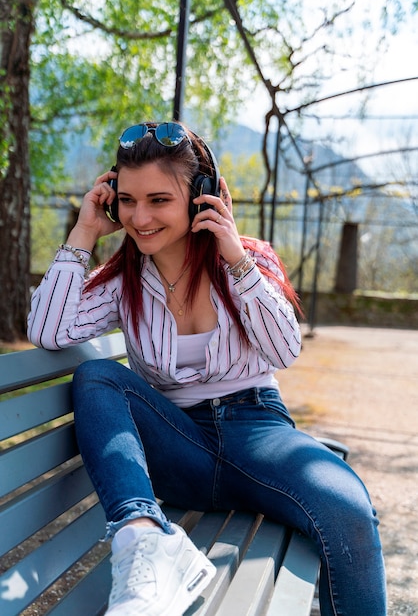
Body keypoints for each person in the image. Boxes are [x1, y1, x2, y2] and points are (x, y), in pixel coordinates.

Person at [27, 121, 386, 616]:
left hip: (258, 435)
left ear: (202, 197)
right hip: (176, 448)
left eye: (158, 200)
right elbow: (48, 330)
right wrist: (85, 230)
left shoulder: (248, 260)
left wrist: (235, 256)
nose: (139, 217)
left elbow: (283, 351)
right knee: (98, 376)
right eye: (127, 200)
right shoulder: (122, 279)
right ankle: (146, 541)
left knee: (349, 511)